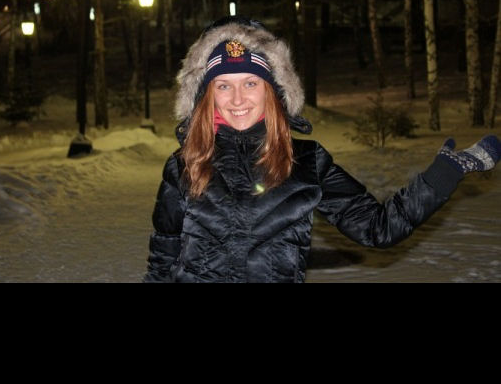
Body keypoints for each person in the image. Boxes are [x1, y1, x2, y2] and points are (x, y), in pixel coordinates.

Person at [142, 16, 501, 283]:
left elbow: (379, 228)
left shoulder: (307, 162)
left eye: (251, 83)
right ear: (206, 96)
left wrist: (443, 175)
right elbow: (162, 261)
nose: (237, 99)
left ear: (273, 91)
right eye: (223, 85)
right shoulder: (184, 165)